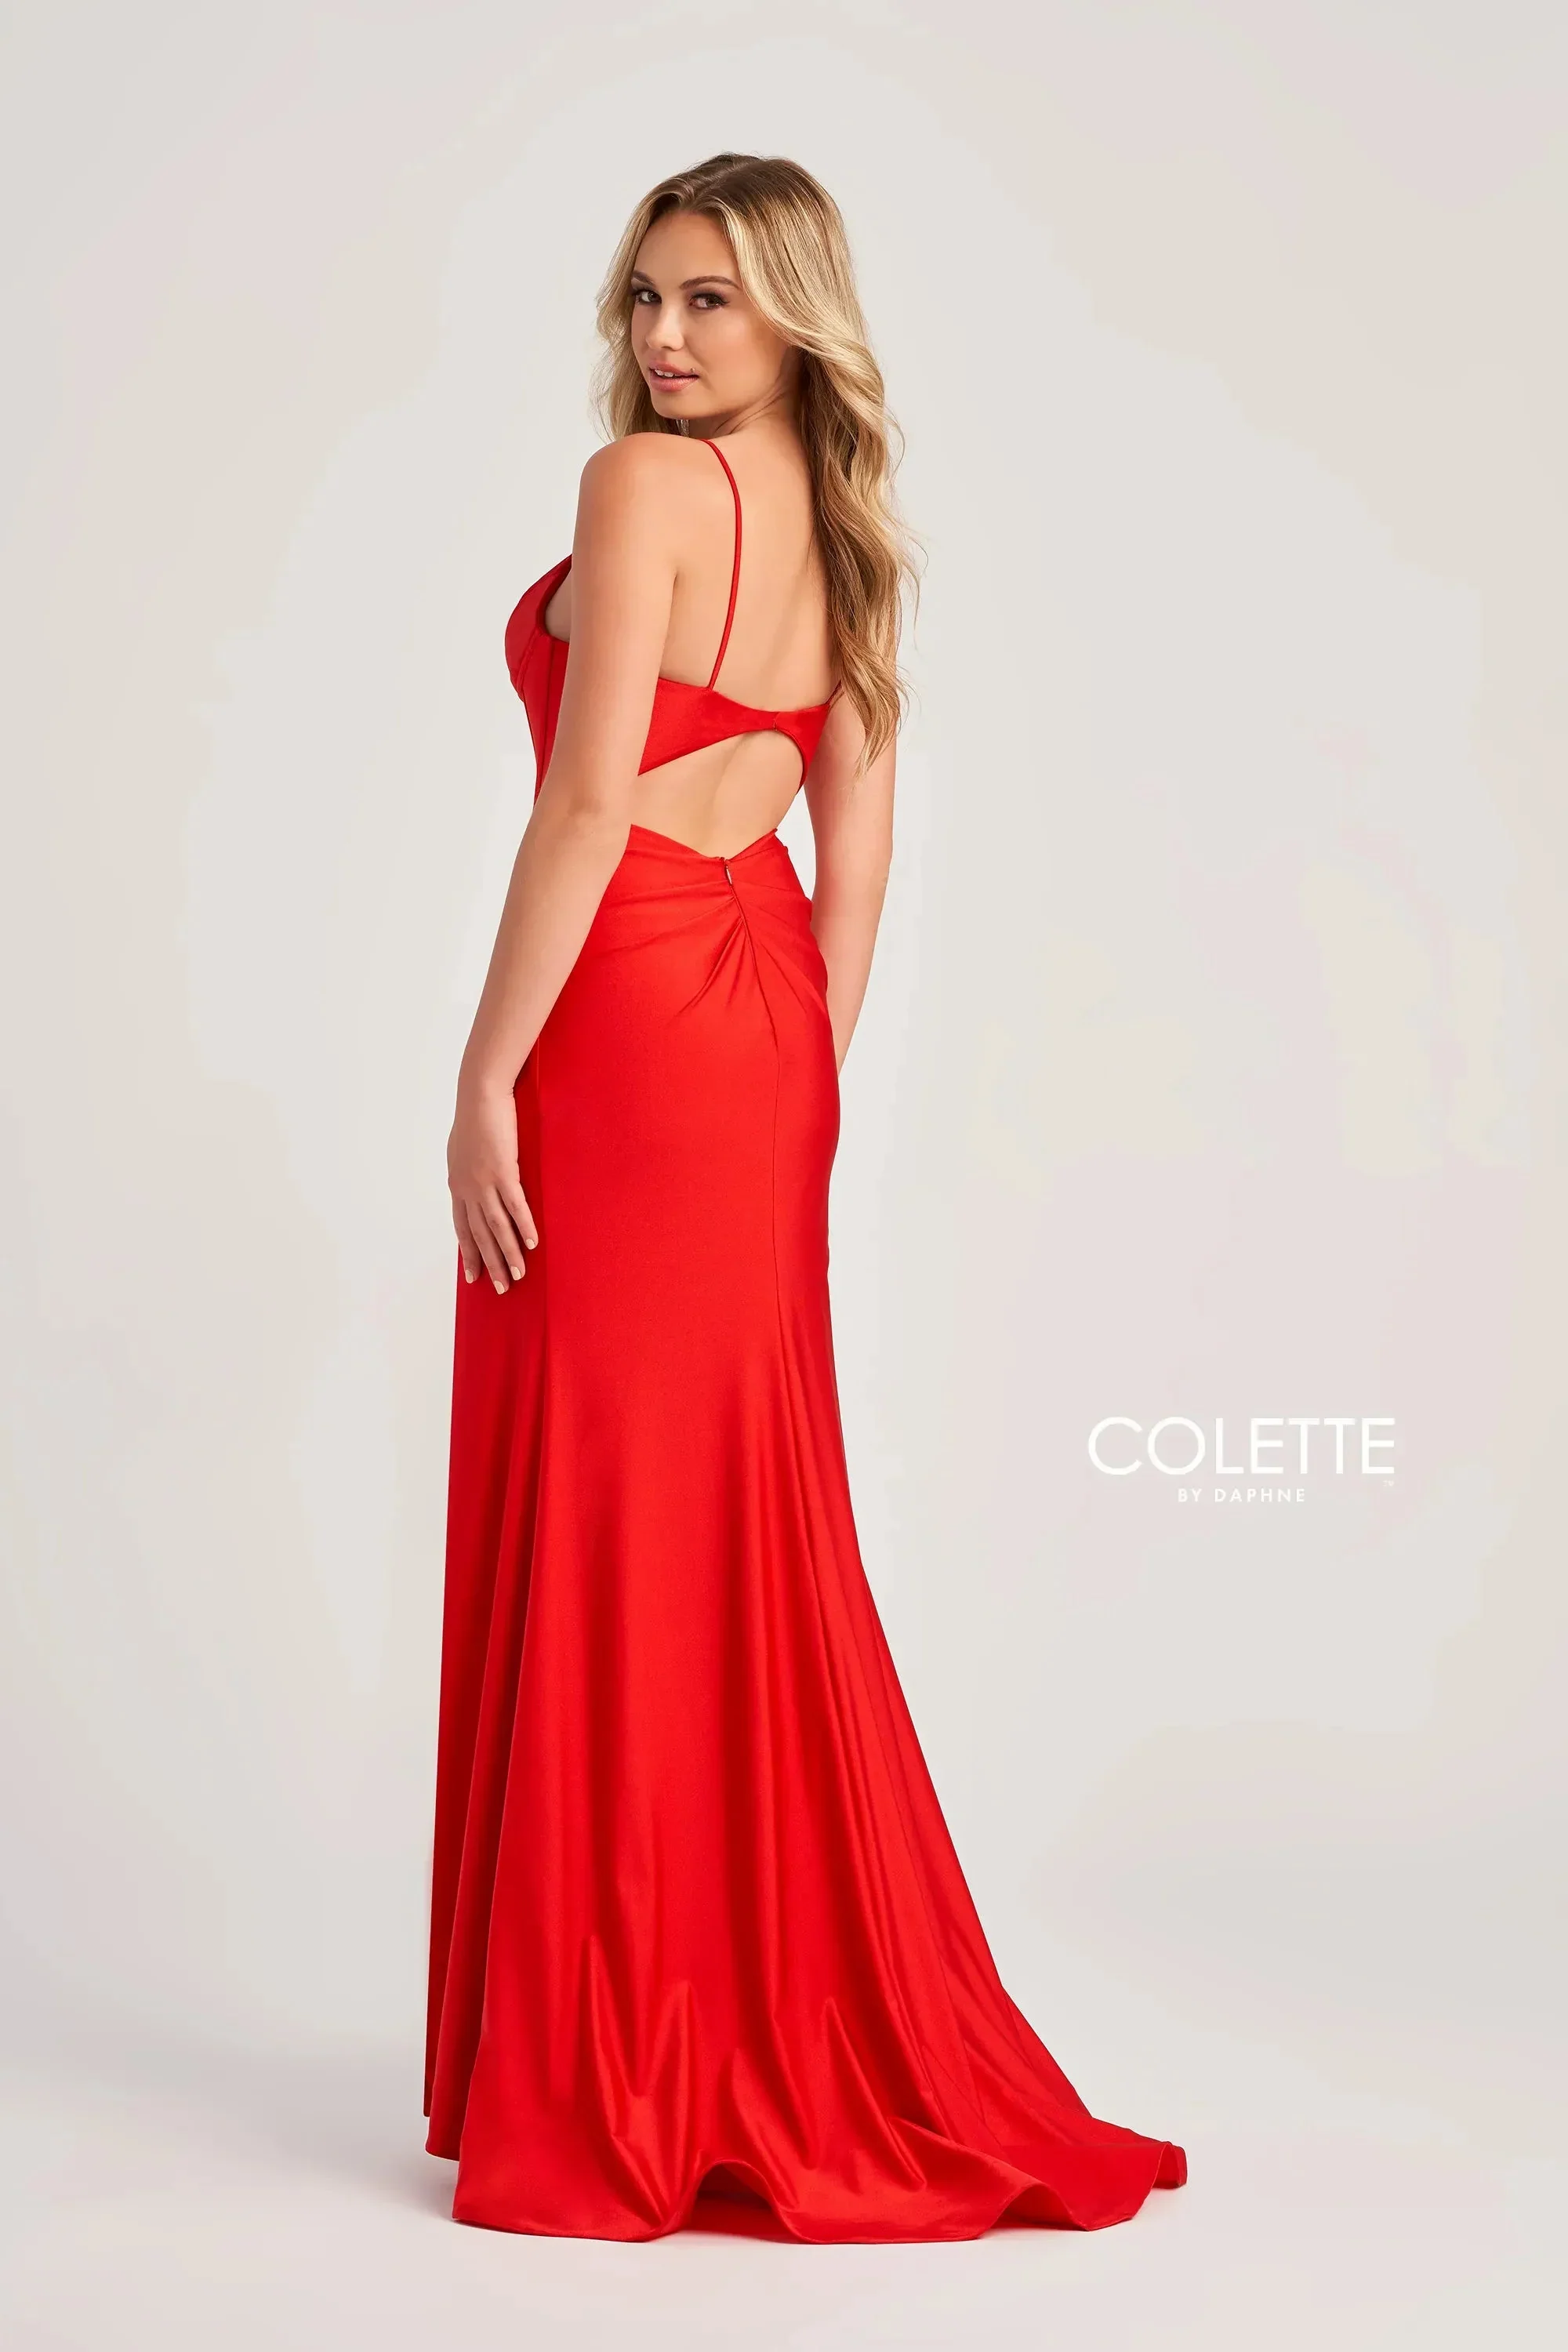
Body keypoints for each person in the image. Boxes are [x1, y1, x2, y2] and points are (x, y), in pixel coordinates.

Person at [423, 151, 1186, 2243]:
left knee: (611, 1480)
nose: (666, 337)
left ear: (795, 313)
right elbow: (858, 845)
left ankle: (621, 2044)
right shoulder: (844, 531)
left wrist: (484, 1072)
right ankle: (739, 2007)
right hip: (757, 1011)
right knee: (733, 1495)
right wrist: (803, 1072)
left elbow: (588, 805)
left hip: (626, 992)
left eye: (713, 300)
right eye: (649, 295)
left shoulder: (643, 490)